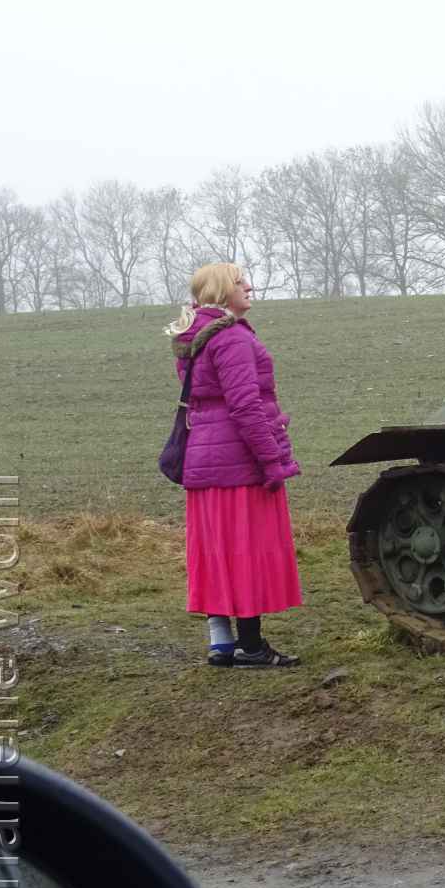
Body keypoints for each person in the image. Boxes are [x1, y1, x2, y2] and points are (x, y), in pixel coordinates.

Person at [163, 263, 304, 668]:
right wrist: (272, 460)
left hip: (203, 457)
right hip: (236, 459)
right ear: (224, 291)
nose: (250, 287)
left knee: (215, 548)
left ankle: (222, 643)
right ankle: (253, 647)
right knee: (244, 547)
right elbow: (245, 407)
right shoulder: (233, 339)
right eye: (242, 282)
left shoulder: (194, 337)